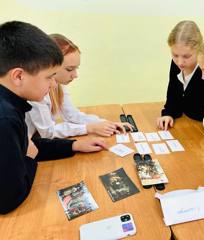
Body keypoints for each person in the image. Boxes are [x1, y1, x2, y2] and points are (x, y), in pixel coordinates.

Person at [0, 21, 107, 214]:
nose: (53, 85)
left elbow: (31, 145)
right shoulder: (5, 119)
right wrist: (30, 159)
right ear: (18, 76)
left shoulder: (12, 104)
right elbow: (8, 200)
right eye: (49, 77)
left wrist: (74, 145)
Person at [26, 34, 132, 139]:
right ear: (50, 66)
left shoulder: (58, 84)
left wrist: (106, 124)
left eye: (76, 68)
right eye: (69, 69)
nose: (75, 75)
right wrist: (88, 128)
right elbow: (48, 132)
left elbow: (72, 115)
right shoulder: (35, 92)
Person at [157, 20, 204, 131]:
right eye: (175, 55)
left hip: (202, 128)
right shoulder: (176, 64)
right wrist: (168, 113)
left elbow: (201, 112)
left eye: (186, 56)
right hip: (186, 124)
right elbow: (173, 94)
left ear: (199, 49)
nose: (180, 62)